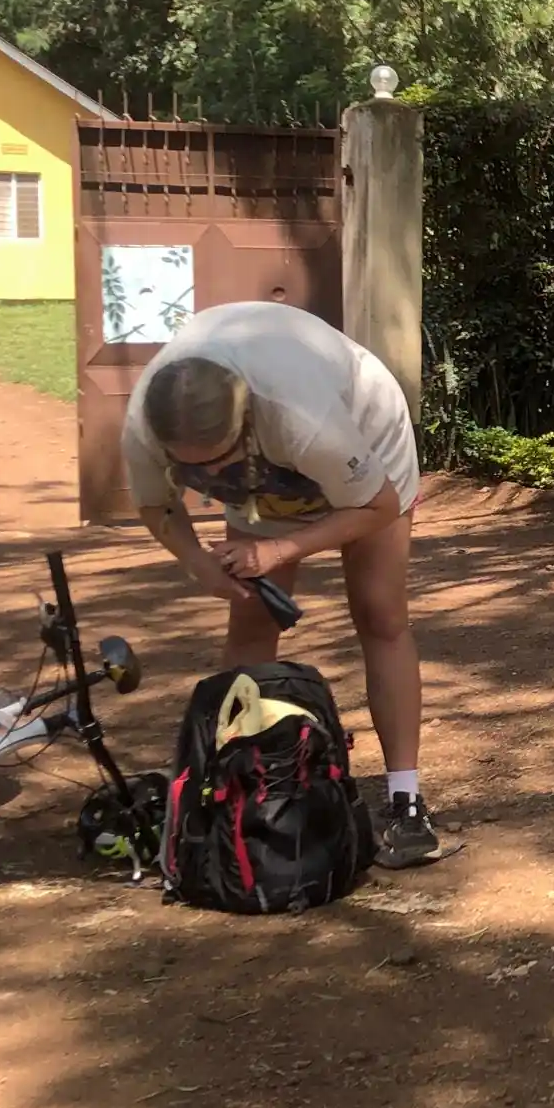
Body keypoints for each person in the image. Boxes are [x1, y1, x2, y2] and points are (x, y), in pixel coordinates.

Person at [121, 301, 447, 868]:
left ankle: (406, 801)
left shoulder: (298, 414)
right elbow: (156, 504)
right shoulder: (144, 426)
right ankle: (231, 786)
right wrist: (196, 561)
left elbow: (376, 504)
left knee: (379, 612)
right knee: (253, 617)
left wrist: (278, 549)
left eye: (220, 461)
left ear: (246, 423)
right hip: (268, 474)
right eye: (196, 470)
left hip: (364, 444)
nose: (211, 477)